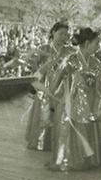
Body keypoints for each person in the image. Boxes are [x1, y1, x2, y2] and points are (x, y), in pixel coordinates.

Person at [46, 28, 101, 171]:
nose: (98, 46)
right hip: (70, 104)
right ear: (87, 43)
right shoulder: (71, 60)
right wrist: (53, 99)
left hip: (90, 104)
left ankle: (85, 159)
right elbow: (55, 81)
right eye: (96, 43)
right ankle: (68, 159)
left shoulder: (96, 63)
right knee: (69, 132)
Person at [24, 21, 72, 151]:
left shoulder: (69, 51)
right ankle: (42, 142)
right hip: (45, 86)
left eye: (66, 34)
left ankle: (59, 142)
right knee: (43, 109)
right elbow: (33, 71)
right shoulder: (43, 49)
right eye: (60, 33)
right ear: (53, 33)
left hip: (62, 86)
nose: (63, 37)